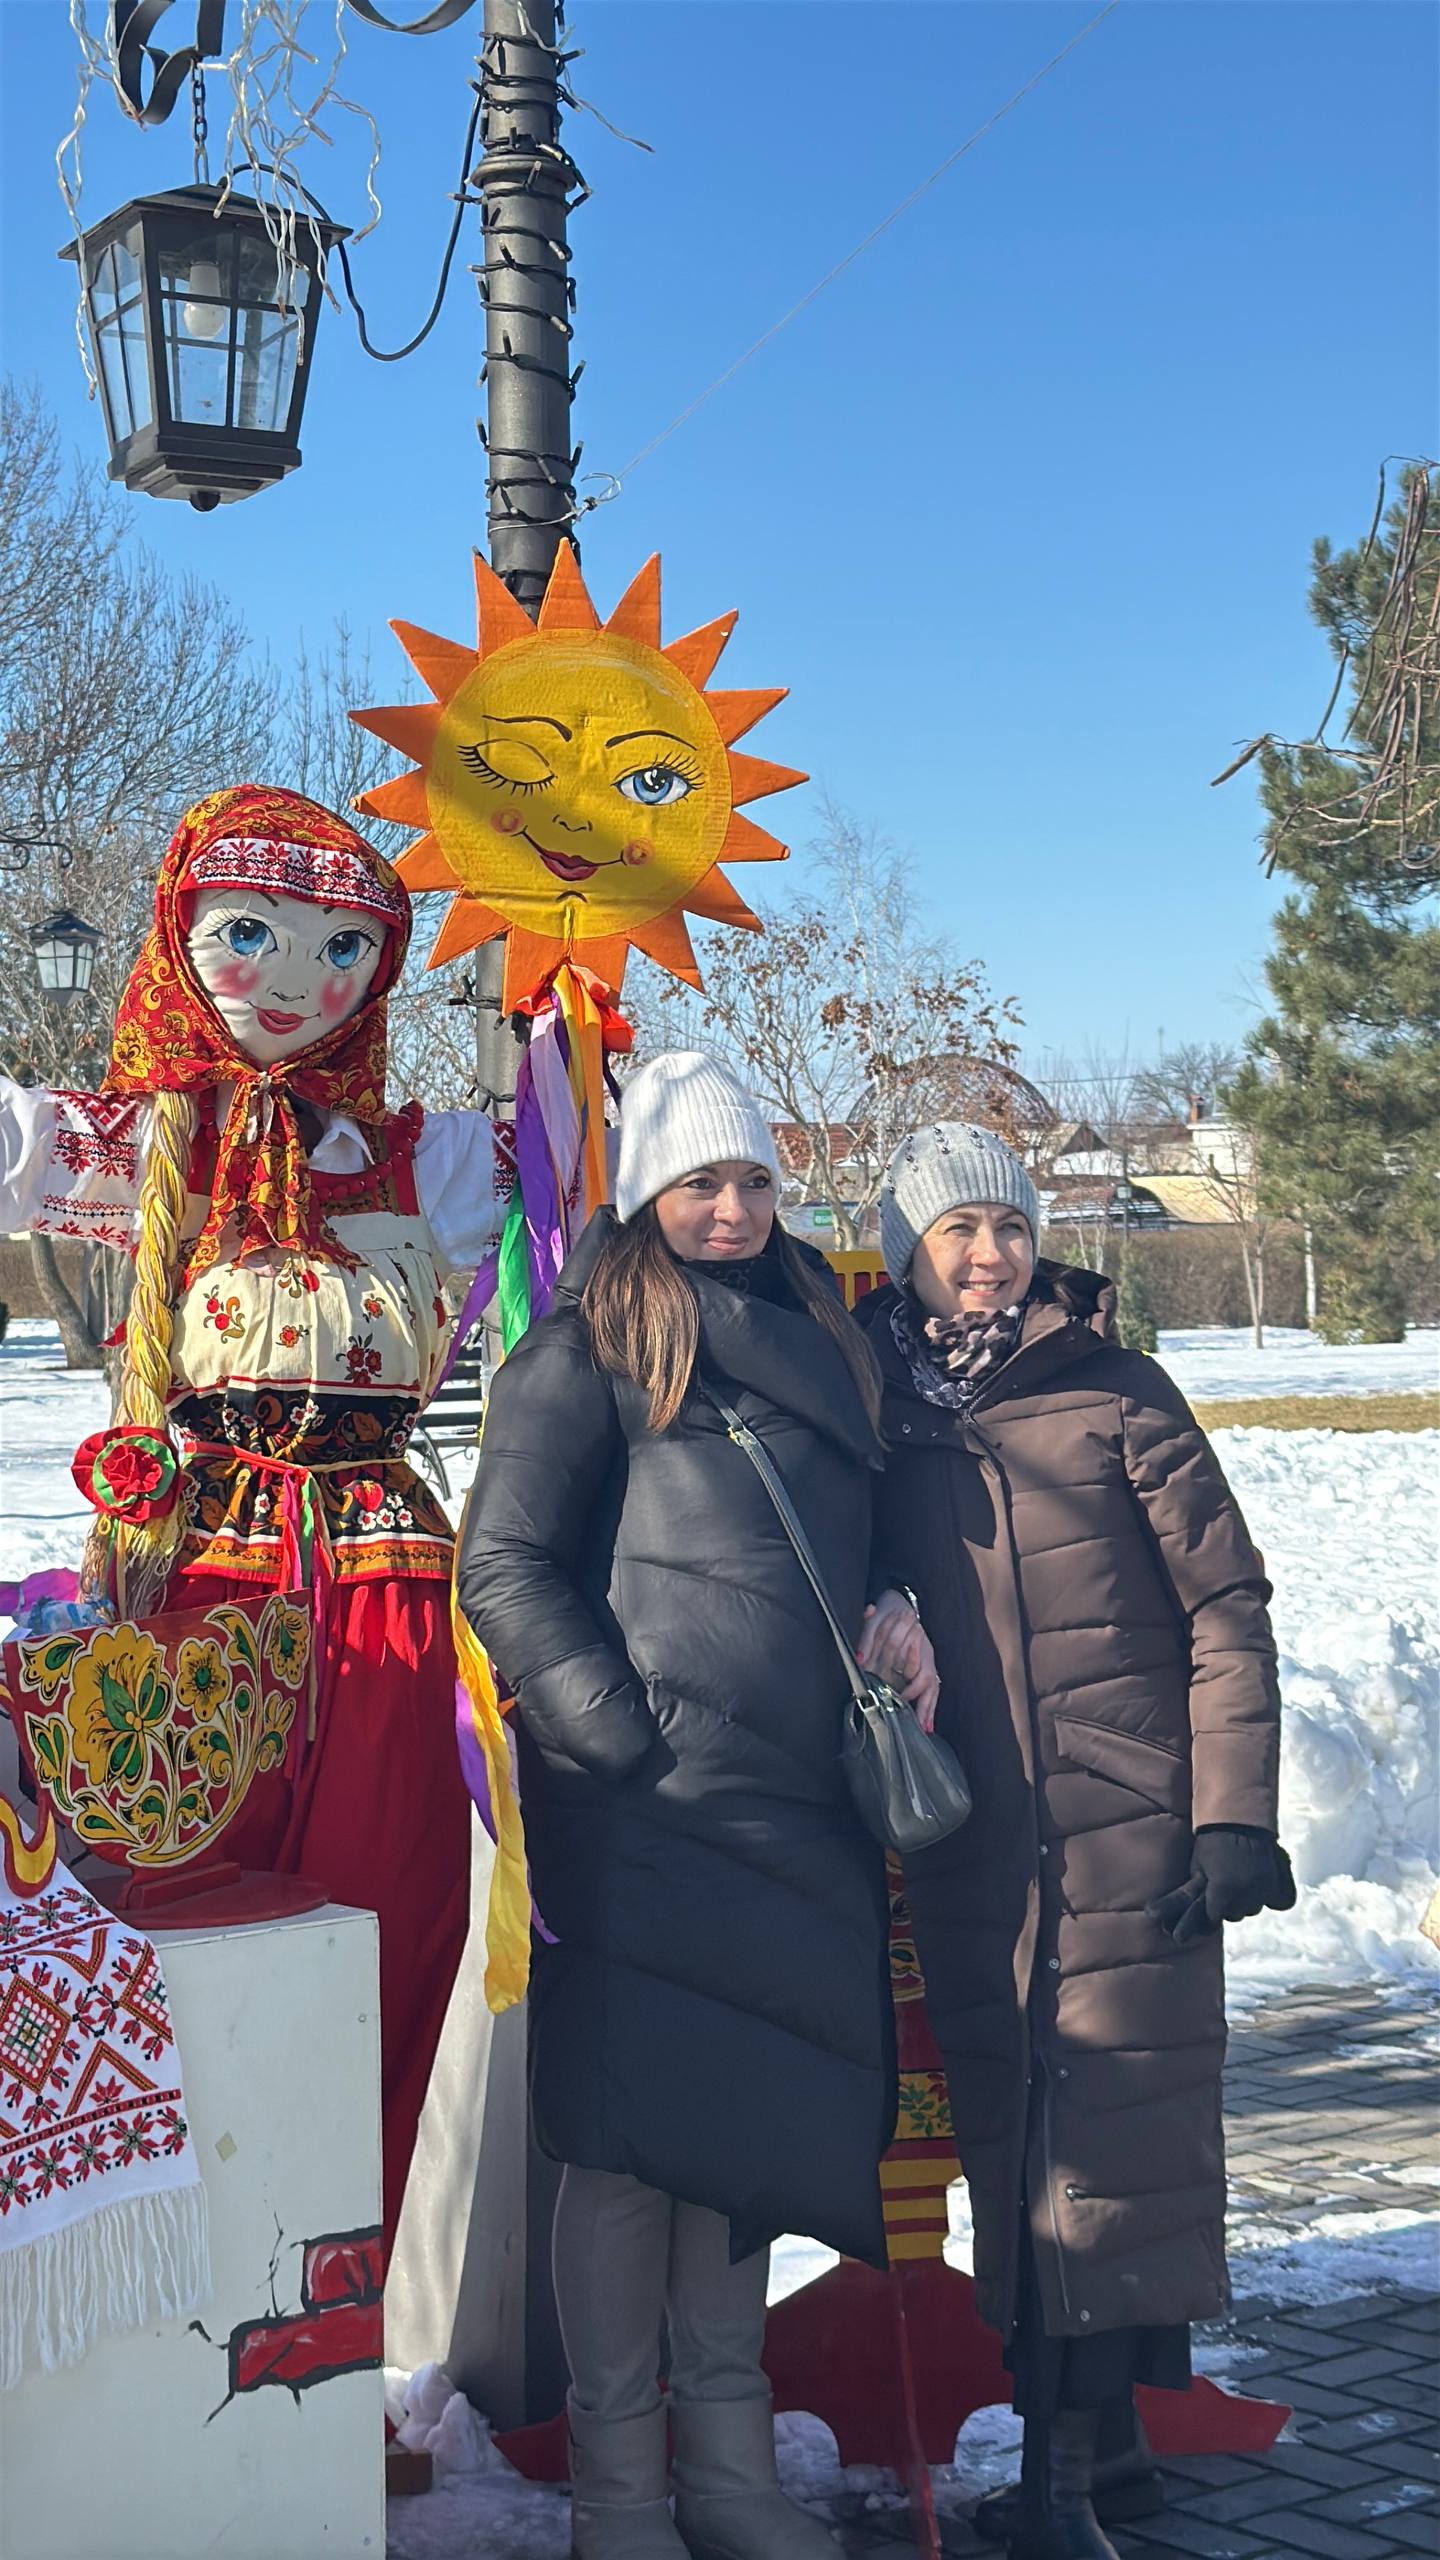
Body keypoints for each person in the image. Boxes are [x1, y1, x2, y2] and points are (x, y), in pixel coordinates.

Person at [0, 785, 513, 2256]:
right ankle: (195, 2274)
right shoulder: (141, 1142)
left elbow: (580, 1187)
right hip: (201, 1579)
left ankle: (345, 2279)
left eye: (342, 948)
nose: (295, 979)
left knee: (391, 1908)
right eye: (249, 935)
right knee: (188, 1904)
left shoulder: (426, 1157)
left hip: (388, 1587)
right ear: (180, 937)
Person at [457, 1050, 937, 2560]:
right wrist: (619, 1735)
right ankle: (621, 2497)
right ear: (645, 1189)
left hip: (797, 1801)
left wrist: (896, 1601)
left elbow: (855, 1528)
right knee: (626, 2148)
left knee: (742, 2137)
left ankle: (730, 2480)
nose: (730, 1209)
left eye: (752, 1182)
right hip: (647, 1808)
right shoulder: (590, 1342)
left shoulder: (825, 1332)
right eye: (698, 1182)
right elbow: (504, 1562)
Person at [853, 1124, 1295, 2560]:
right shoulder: (875, 1405)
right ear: (905, 1251)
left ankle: (1059, 2493)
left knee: (1108, 2137)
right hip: (973, 1836)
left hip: (1126, 1828)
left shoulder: (1118, 1390)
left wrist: (1231, 1813)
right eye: (956, 1231)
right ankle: (1108, 2458)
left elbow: (1226, 1606)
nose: (990, 1256)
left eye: (1009, 1226)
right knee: (1019, 2139)